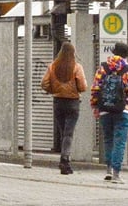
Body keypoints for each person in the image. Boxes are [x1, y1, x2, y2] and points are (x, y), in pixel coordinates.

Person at [91, 42, 128, 185]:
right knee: (119, 142)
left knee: (108, 140)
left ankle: (108, 170)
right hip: (122, 110)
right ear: (126, 55)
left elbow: (95, 89)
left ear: (113, 53)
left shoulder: (103, 68)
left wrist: (95, 106)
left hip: (104, 110)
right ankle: (116, 174)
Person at [41, 41, 88, 175]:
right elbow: (83, 86)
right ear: (73, 53)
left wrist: (53, 90)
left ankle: (64, 157)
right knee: (69, 133)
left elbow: (44, 83)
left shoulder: (53, 67)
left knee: (63, 132)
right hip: (73, 102)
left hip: (58, 102)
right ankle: (65, 160)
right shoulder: (76, 67)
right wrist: (75, 89)